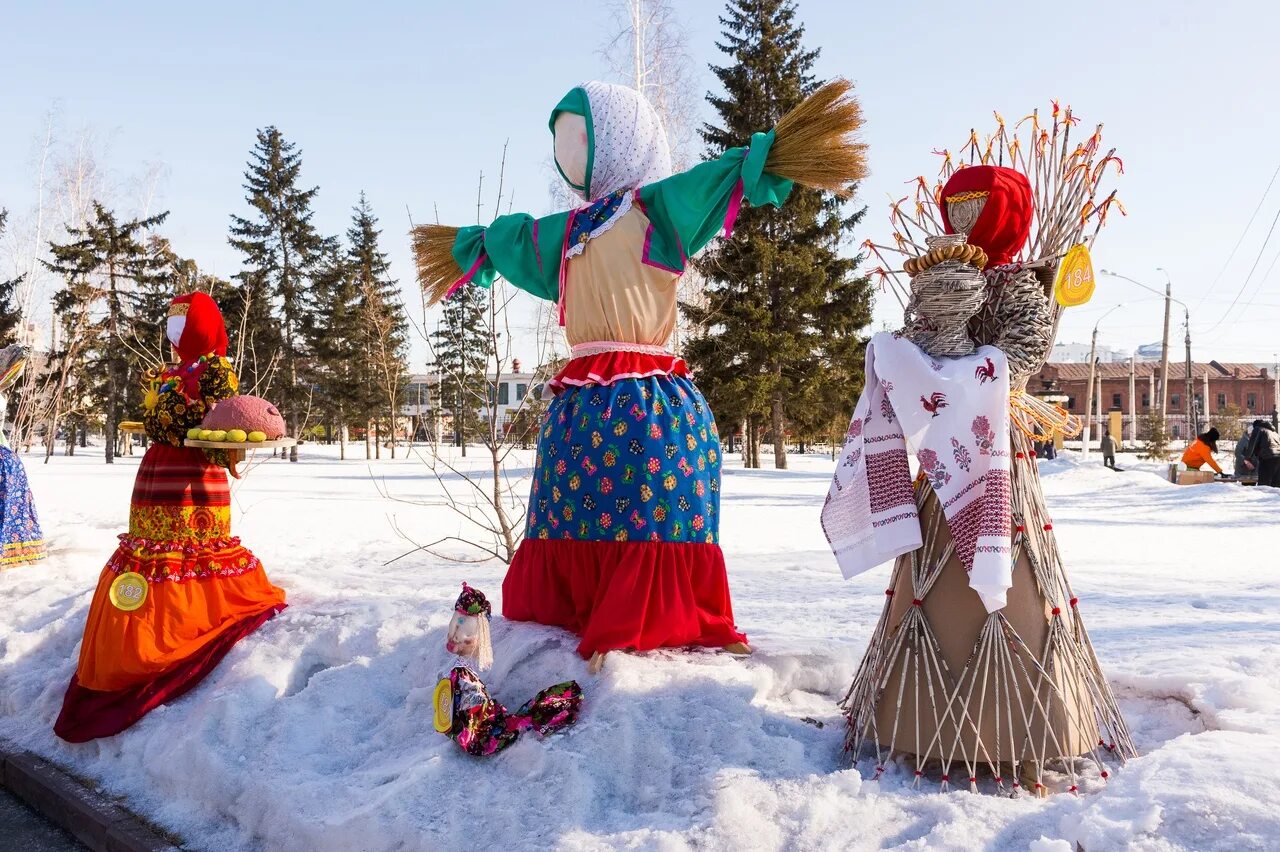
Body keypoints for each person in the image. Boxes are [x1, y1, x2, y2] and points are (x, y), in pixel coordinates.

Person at [412, 80, 867, 672]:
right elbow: (513, 240)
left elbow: (718, 179)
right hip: (580, 400)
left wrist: (766, 157)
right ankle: (582, 603)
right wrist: (476, 245)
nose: (570, 153)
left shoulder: (658, 210)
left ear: (621, 139)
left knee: (647, 504)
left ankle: (651, 613)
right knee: (570, 502)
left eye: (582, 138)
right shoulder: (568, 232)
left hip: (647, 398)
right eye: (565, 143)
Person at [54, 293, 287, 742]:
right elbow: (163, 416)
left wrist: (185, 423)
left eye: (182, 322)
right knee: (152, 548)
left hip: (193, 473)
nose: (173, 331)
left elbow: (220, 419)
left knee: (188, 549)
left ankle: (184, 626)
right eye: (171, 322)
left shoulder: (216, 370)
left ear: (202, 326)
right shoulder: (171, 370)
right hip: (158, 468)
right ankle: (140, 634)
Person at [0, 345, 46, 570]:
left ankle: (13, 546)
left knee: (10, 503)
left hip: (5, 459)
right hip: (6, 459)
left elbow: (16, 354)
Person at [1243, 419, 1280, 487]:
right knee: (1276, 483)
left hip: (1267, 458)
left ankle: (1263, 497)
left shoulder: (1258, 428)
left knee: (1264, 483)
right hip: (1278, 458)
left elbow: (1252, 443)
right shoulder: (1274, 432)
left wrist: (1247, 458)